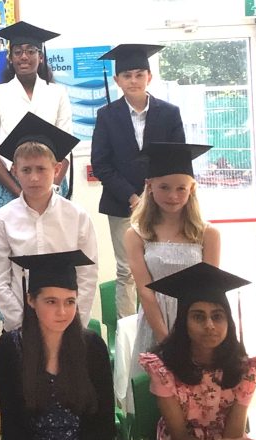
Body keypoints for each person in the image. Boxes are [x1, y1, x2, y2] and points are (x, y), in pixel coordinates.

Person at [139, 263, 256, 440]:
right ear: (184, 322)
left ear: (228, 322)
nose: (209, 325)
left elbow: (233, 436)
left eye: (217, 316)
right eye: (198, 316)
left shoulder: (244, 369)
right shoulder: (164, 370)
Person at [0, 251, 120, 440]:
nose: (62, 311)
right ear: (31, 300)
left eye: (70, 301)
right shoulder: (11, 348)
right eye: (51, 301)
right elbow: (11, 428)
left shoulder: (92, 347)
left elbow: (103, 428)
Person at [93, 44, 186, 319]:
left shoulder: (169, 113)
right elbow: (101, 163)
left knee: (163, 265)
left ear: (149, 76)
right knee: (127, 271)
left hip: (164, 204)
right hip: (122, 204)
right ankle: (128, 331)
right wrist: (132, 197)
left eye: (138, 74)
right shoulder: (106, 116)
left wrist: (155, 195)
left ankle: (168, 325)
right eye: (126, 75)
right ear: (117, 80)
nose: (133, 80)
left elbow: (178, 160)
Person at [0, 113, 97, 333]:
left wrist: (74, 323)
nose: (34, 177)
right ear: (15, 171)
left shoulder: (77, 217)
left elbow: (87, 275)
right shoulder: (3, 219)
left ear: (56, 170)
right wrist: (21, 324)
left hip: (68, 325)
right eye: (26, 170)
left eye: (41, 169)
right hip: (21, 327)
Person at [126, 143, 220, 361]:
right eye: (164, 187)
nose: (173, 196)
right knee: (158, 378)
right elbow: (145, 292)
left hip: (196, 319)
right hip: (155, 320)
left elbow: (209, 290)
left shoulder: (208, 234)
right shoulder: (137, 234)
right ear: (150, 186)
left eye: (181, 188)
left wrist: (195, 336)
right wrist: (165, 340)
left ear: (192, 189)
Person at [0, 21, 72, 216]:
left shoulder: (57, 93)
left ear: (41, 57)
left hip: (51, 182)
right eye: (18, 52)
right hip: (9, 184)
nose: (24, 56)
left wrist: (52, 189)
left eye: (31, 51)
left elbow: (66, 146)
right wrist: (19, 192)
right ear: (10, 58)